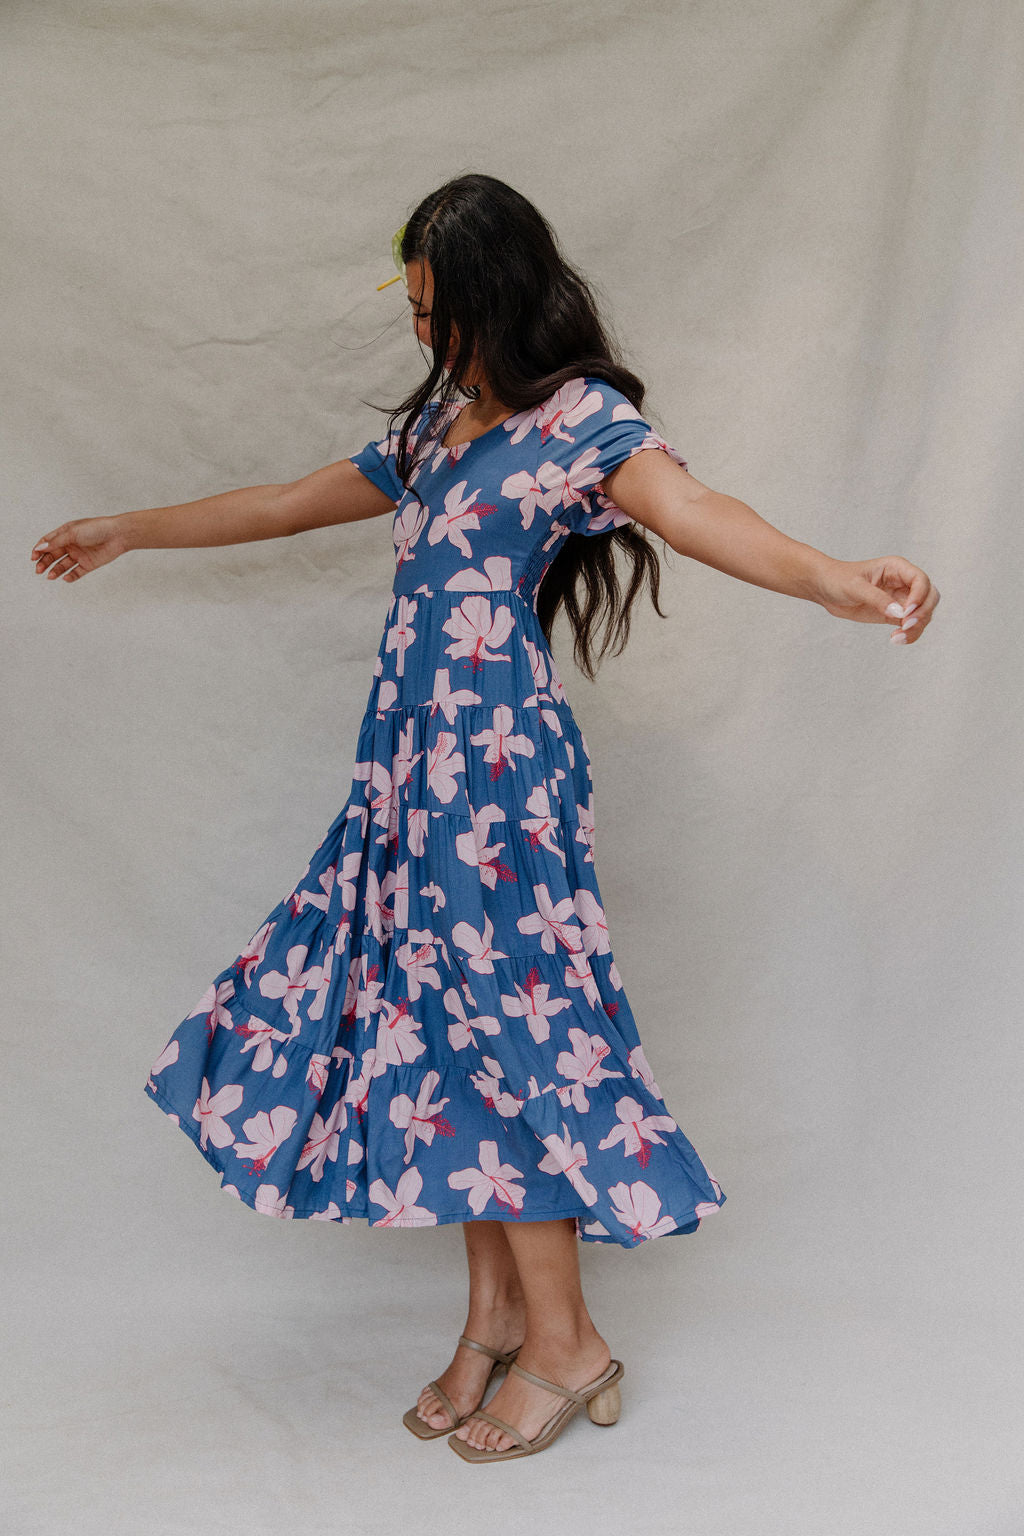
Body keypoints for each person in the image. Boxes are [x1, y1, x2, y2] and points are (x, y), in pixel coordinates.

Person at [29, 172, 939, 1463]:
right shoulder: (436, 433)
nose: (423, 339)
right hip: (409, 784)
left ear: (494, 298)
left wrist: (839, 580)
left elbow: (699, 515)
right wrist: (132, 529)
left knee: (520, 1033)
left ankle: (571, 1342)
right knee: (448, 1031)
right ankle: (496, 1317)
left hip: (495, 790)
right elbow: (288, 504)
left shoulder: (582, 426)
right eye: (413, 313)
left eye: (437, 313)